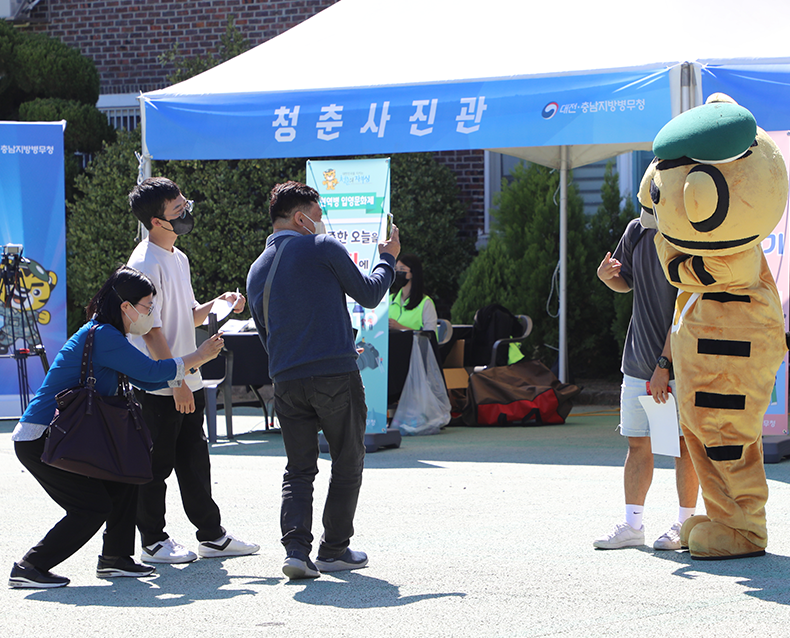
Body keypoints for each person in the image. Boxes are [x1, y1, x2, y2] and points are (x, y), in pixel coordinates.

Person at [8, 266, 224, 588]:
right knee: (92, 507)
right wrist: (198, 356)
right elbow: (151, 372)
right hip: (41, 438)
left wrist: (184, 368)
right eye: (148, 307)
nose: (151, 314)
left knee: (125, 478)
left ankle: (116, 558)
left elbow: (144, 376)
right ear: (126, 306)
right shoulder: (105, 336)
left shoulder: (107, 334)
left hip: (57, 433)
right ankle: (30, 566)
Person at [246, 181, 400, 580]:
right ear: (301, 218)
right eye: (318, 215)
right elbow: (369, 293)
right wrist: (387, 259)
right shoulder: (322, 246)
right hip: (334, 374)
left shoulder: (256, 268)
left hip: (286, 379)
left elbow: (267, 333)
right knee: (347, 459)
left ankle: (296, 550)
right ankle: (334, 549)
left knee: (298, 469)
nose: (322, 222)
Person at [127, 177, 259, 564]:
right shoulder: (143, 263)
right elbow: (151, 333)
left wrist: (218, 304)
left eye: (186, 204)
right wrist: (178, 379)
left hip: (185, 377)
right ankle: (152, 541)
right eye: (177, 210)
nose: (186, 213)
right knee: (156, 467)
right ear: (155, 221)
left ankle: (211, 535)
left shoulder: (177, 257)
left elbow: (184, 315)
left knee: (194, 461)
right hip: (160, 384)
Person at [593, 217, 699, 551]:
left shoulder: (689, 231)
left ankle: (686, 525)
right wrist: (606, 278)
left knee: (681, 446)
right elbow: (625, 280)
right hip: (637, 362)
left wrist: (664, 365)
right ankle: (633, 526)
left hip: (676, 364)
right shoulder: (636, 230)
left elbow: (686, 307)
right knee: (637, 443)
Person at [388, 253, 437, 332]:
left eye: (402, 269)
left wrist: (400, 327)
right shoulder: (389, 300)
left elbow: (430, 336)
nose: (398, 272)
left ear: (412, 273)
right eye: (396, 269)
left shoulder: (425, 303)